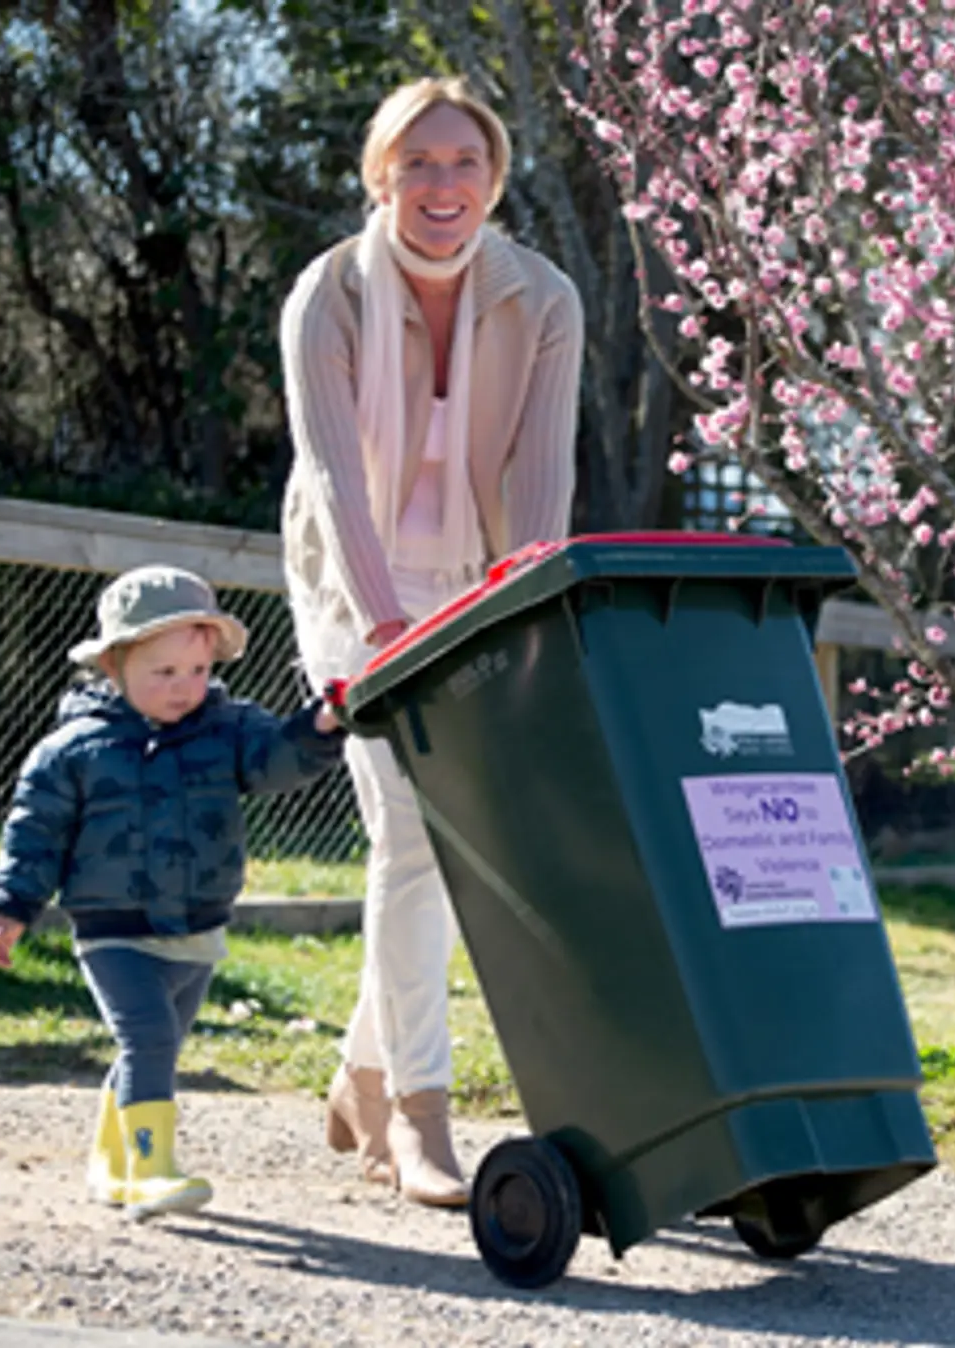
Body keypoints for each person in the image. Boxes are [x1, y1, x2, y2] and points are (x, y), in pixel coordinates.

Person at [279, 76, 581, 1207]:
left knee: (451, 844)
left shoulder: (542, 299)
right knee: (412, 833)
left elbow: (542, 478)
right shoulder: (330, 296)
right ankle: (418, 1114)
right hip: (357, 584)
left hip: (477, 581)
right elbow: (330, 478)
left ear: (493, 178)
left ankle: (363, 1074)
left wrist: (523, 612)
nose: (441, 185)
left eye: (464, 163)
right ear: (381, 177)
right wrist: (381, 627)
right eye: (418, 164)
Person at [0, 565, 347, 1221]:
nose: (185, 687)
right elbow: (35, 831)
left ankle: (112, 1165)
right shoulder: (74, 749)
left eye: (198, 671)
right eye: (165, 672)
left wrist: (317, 728)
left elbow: (276, 760)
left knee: (154, 1049)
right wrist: (13, 906)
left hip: (197, 924)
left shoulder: (228, 730)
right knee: (147, 1038)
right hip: (113, 928)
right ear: (114, 666)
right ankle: (152, 1171)